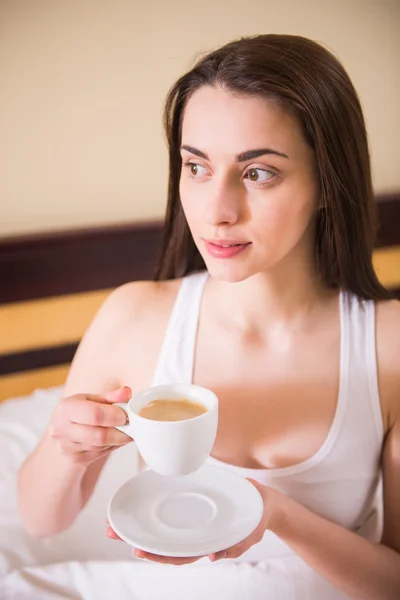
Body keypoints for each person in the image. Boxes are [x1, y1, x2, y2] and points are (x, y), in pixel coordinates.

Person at [18, 34, 400, 600]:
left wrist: (277, 515)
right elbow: (42, 521)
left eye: (257, 173)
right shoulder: (134, 317)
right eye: (196, 166)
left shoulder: (388, 344)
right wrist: (63, 446)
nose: (217, 212)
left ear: (327, 183)